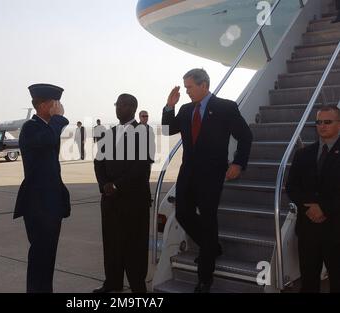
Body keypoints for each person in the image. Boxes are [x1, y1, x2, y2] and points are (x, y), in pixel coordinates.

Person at [162, 68, 252, 293]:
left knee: (208, 218)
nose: (187, 92)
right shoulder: (184, 110)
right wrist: (169, 106)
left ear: (204, 85)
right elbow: (166, 130)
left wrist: (238, 163)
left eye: (190, 87)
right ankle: (211, 247)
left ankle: (205, 277)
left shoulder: (225, 107)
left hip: (212, 174)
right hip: (188, 173)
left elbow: (245, 135)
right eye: (185, 88)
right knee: (182, 213)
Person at [14, 83, 71, 293]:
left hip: (51, 204)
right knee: (40, 257)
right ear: (47, 105)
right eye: (57, 103)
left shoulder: (45, 128)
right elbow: (47, 140)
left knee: (48, 257)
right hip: (38, 206)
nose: (61, 107)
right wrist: (58, 119)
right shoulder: (31, 128)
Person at [93, 94, 153, 293]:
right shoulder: (108, 133)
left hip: (133, 201)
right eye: (117, 104)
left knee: (134, 247)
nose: (118, 108)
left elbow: (141, 168)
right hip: (110, 201)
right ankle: (112, 283)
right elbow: (98, 162)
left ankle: (138, 287)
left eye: (123, 104)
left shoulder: (144, 132)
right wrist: (104, 185)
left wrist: (116, 185)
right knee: (111, 244)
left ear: (133, 107)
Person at [286, 105, 340, 293]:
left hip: (336, 228)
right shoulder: (303, 154)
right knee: (308, 281)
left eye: (328, 122)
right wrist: (308, 208)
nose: (322, 126)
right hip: (308, 229)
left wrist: (323, 208)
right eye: (318, 122)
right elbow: (291, 186)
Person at [138, 110, 156, 182]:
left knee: (146, 177)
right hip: (138, 159)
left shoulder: (150, 128)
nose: (145, 118)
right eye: (143, 116)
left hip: (148, 158)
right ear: (139, 117)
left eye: (147, 116)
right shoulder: (135, 128)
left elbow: (152, 143)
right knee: (139, 178)